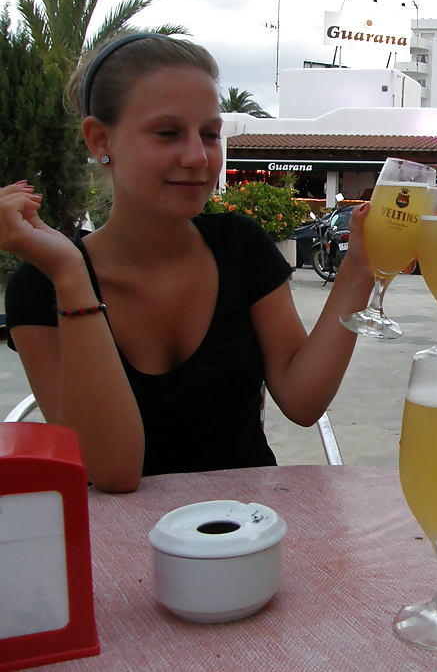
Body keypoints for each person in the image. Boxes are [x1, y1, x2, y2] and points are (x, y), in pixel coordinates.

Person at [0, 33, 374, 493]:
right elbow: (112, 470)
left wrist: (360, 268)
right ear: (100, 139)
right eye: (168, 133)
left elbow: (303, 401)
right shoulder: (43, 284)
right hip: (120, 549)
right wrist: (70, 275)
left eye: (210, 134)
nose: (198, 157)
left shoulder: (240, 247)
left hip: (247, 529)